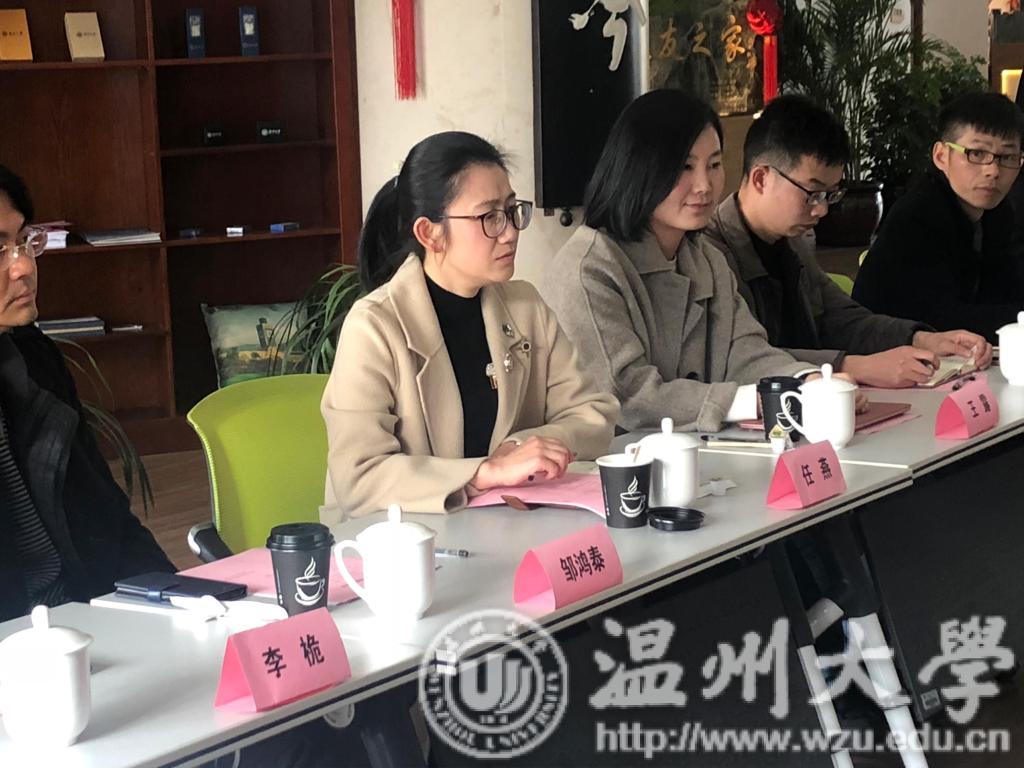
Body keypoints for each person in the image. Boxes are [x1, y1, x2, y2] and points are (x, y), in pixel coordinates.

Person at [320, 131, 618, 521]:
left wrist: (524, 447)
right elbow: (359, 478)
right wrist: (485, 473)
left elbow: (593, 415)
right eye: (489, 216)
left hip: (507, 529)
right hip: (405, 540)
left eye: (511, 210)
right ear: (429, 233)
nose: (510, 231)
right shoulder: (374, 327)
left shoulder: (525, 306)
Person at [542, 89, 834, 434]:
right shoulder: (589, 269)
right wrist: (749, 400)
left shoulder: (706, 259)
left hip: (706, 454)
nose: (704, 185)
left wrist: (805, 380)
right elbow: (627, 395)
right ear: (640, 169)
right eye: (685, 166)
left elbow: (744, 350)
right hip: (613, 462)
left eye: (714, 165)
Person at [706, 94, 992, 388]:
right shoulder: (709, 256)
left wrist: (923, 339)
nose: (822, 209)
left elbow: (842, 319)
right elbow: (743, 358)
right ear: (761, 179)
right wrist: (855, 366)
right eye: (812, 193)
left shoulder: (793, 243)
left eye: (829, 194)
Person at [0, 165, 174, 623]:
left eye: (23, 240)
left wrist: (175, 601)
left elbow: (106, 516)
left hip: (79, 617)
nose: (23, 265)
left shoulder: (32, 360)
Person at [853, 91, 1024, 343]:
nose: (993, 170)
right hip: (887, 353)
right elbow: (940, 319)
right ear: (941, 156)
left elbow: (1006, 292)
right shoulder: (918, 216)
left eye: (1008, 157)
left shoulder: (998, 211)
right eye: (976, 153)